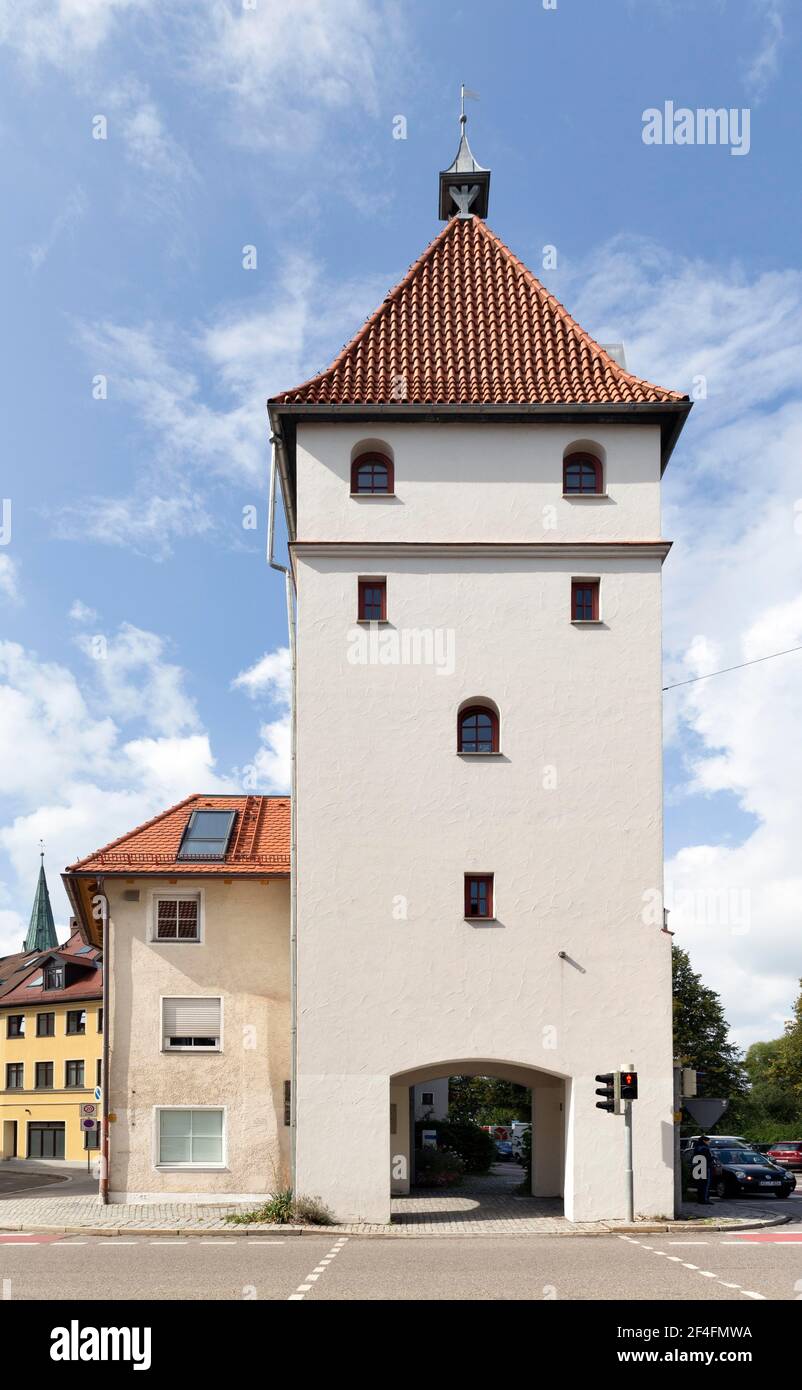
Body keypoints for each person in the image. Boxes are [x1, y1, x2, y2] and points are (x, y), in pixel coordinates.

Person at [692, 1135, 713, 1204]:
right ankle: (704, 1199)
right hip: (705, 1167)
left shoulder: (697, 1147)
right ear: (704, 1141)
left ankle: (700, 1199)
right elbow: (708, 1158)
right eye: (708, 1141)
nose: (709, 1142)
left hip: (698, 1167)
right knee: (706, 1184)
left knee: (700, 1184)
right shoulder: (705, 1148)